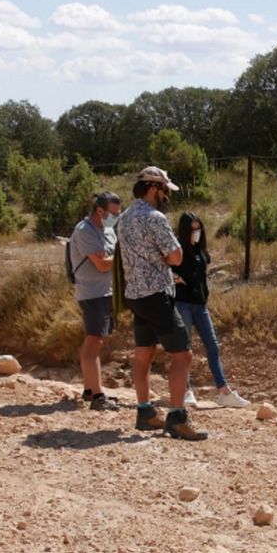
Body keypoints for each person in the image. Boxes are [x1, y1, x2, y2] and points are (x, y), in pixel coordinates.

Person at [116, 166, 206, 441]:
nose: (167, 195)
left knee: (143, 351)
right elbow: (176, 258)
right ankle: (177, 417)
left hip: (135, 293)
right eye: (165, 189)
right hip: (156, 293)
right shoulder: (155, 218)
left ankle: (145, 411)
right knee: (182, 355)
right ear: (153, 188)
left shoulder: (124, 218)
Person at [171, 212, 250, 409]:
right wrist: (175, 278)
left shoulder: (202, 252)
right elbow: (166, 267)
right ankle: (186, 390)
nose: (196, 232)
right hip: (182, 303)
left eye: (199, 228)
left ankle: (224, 391)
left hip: (199, 305)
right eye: (192, 229)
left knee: (213, 346)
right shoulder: (177, 250)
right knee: (184, 348)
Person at [69, 191, 122, 410]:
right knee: (94, 341)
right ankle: (98, 396)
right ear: (100, 211)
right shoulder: (84, 231)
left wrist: (115, 259)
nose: (116, 216)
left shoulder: (108, 230)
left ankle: (90, 388)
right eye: (113, 212)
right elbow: (101, 264)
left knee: (95, 341)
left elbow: (109, 259)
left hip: (106, 291)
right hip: (92, 293)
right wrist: (122, 258)